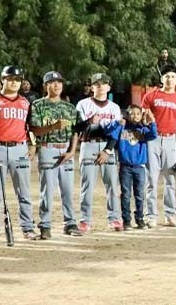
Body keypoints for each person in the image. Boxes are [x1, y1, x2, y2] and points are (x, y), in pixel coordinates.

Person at [0, 66, 41, 245]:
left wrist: (33, 145)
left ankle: (27, 228)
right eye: (10, 79)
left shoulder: (26, 102)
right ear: (2, 80)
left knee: (24, 192)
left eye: (17, 79)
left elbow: (30, 127)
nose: (14, 82)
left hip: (19, 149)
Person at [30, 71, 83, 239]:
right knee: (47, 190)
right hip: (48, 148)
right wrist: (53, 126)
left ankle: (70, 223)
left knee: (67, 190)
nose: (57, 85)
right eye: (52, 82)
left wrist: (72, 150)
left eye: (59, 82)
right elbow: (35, 130)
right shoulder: (38, 105)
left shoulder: (69, 107)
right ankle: (45, 225)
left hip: (65, 149)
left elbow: (75, 131)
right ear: (46, 86)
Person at [140, 66, 176, 228]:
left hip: (170, 140)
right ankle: (151, 215)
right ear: (162, 79)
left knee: (170, 179)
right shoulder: (151, 96)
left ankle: (170, 214)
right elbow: (142, 119)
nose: (169, 79)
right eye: (166, 76)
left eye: (173, 76)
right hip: (152, 139)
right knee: (151, 178)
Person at [75, 73, 124, 234]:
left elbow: (115, 132)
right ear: (92, 87)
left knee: (112, 185)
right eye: (97, 84)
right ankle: (85, 220)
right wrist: (89, 123)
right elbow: (78, 128)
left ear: (109, 87)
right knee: (87, 185)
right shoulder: (83, 104)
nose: (101, 86)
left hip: (106, 146)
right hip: (88, 145)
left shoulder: (114, 107)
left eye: (104, 83)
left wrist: (107, 151)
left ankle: (114, 218)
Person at [105, 105, 157, 230]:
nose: (135, 116)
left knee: (139, 194)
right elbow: (110, 133)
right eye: (132, 113)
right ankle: (126, 220)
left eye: (138, 114)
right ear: (127, 115)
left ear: (141, 116)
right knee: (126, 194)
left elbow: (153, 135)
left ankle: (140, 219)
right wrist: (118, 123)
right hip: (125, 167)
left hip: (139, 167)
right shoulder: (123, 127)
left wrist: (152, 122)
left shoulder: (143, 130)